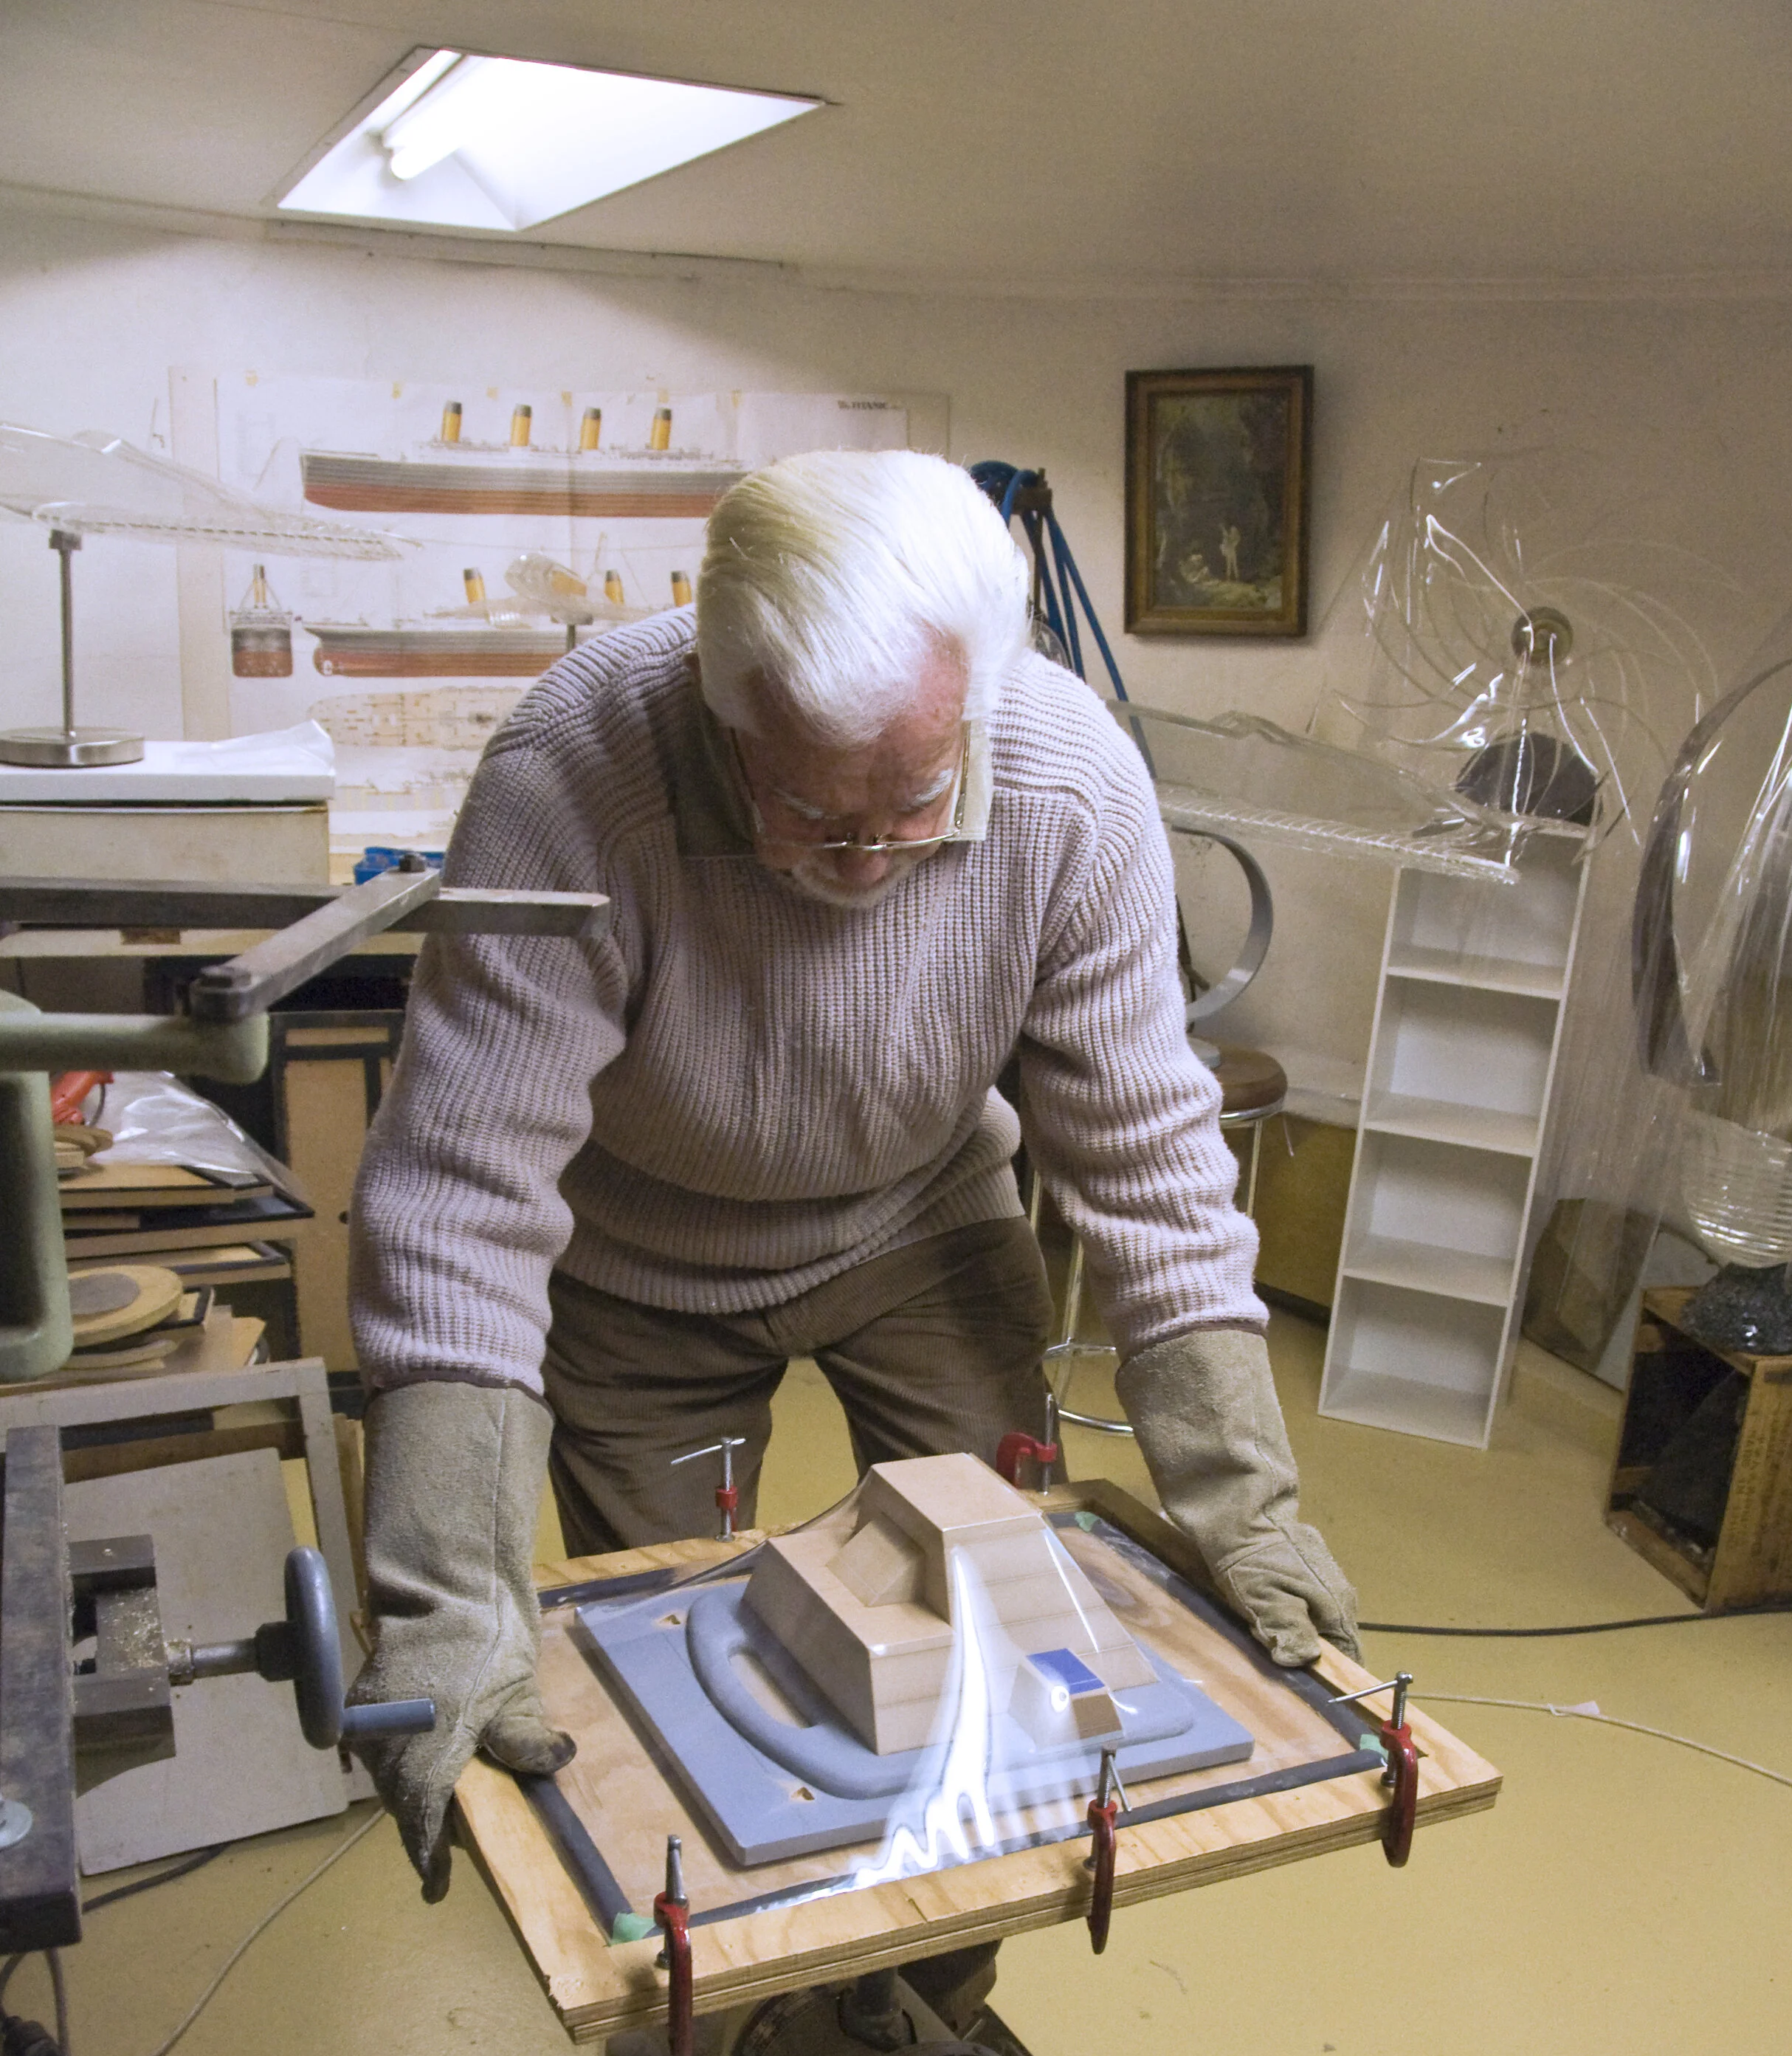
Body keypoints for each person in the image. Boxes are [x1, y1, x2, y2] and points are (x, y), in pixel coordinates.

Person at [347, 447, 1359, 1917]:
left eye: (915, 800)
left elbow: (1147, 1157)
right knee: (681, 1659)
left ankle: (930, 1981)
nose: (869, 859)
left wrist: (1246, 1508)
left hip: (921, 1227)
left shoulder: (1072, 784)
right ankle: (729, 1981)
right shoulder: (571, 773)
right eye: (813, 812)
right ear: (724, 706)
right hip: (636, 1272)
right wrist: (444, 1600)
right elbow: (460, 1192)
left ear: (977, 699)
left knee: (1006, 1621)